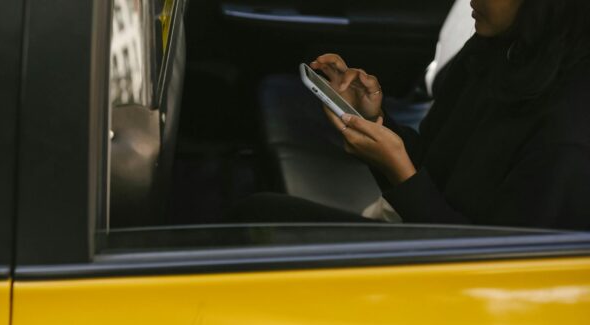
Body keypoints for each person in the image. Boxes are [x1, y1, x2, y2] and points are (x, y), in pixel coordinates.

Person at [238, 0, 590, 230]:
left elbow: (498, 267)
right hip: (420, 235)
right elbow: (432, 164)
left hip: (452, 285)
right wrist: (375, 120)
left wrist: (401, 175)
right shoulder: (498, 48)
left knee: (258, 221)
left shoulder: (568, 137)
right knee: (258, 216)